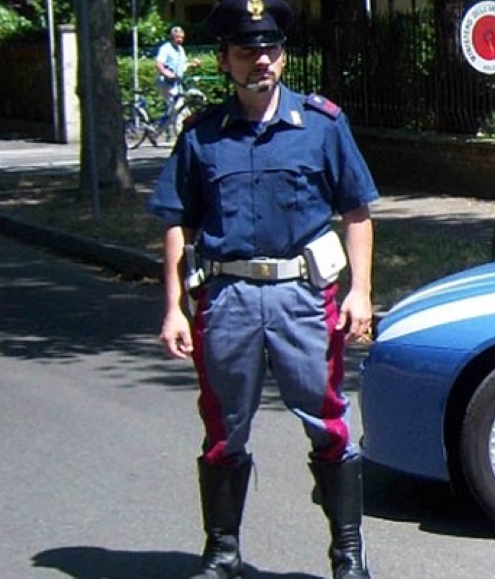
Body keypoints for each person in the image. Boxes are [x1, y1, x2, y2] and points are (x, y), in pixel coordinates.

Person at [146, 0, 378, 577]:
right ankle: (222, 551)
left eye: (270, 49)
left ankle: (347, 553)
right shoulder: (202, 137)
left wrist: (361, 292)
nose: (261, 61)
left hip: (303, 299)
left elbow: (357, 212)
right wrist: (174, 307)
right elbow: (179, 223)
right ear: (224, 60)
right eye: (247, 52)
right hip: (227, 301)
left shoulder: (322, 124)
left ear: (283, 53)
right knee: (223, 427)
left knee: (327, 420)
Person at [154, 26, 200, 135]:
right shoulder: (166, 48)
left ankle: (155, 132)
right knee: (179, 107)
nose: (180, 40)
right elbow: (158, 64)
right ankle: (180, 135)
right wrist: (166, 73)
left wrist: (192, 64)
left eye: (182, 38)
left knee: (174, 110)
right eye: (177, 37)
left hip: (177, 83)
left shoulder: (181, 50)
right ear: (172, 37)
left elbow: (182, 66)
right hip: (166, 83)